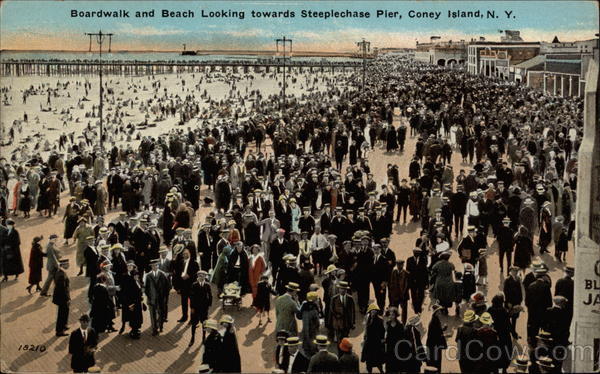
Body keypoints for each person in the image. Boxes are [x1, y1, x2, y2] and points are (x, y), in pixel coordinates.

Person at [144, 258, 171, 336]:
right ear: (151, 267)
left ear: (158, 266)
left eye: (156, 265)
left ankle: (161, 326)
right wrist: (149, 296)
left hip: (161, 298)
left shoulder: (162, 274)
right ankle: (154, 329)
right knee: (152, 315)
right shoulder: (148, 276)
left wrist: (165, 296)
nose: (154, 267)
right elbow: (146, 288)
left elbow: (168, 286)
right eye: (153, 266)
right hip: (152, 299)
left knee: (160, 313)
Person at [328, 281, 355, 347]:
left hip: (347, 323)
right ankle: (340, 353)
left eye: (344, 289)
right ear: (339, 289)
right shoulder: (334, 299)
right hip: (338, 323)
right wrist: (330, 323)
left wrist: (353, 322)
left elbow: (352, 311)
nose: (342, 290)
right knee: (339, 340)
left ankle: (344, 352)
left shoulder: (350, 298)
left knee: (345, 339)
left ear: (346, 290)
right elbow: (331, 311)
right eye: (341, 289)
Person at [189, 270, 212, 346]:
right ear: (198, 277)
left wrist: (208, 305)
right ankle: (192, 338)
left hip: (204, 308)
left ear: (205, 277)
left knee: (204, 323)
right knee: (193, 324)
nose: (201, 277)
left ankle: (203, 337)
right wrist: (192, 307)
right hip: (195, 308)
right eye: (199, 276)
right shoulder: (194, 285)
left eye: (202, 276)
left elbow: (210, 296)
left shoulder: (207, 285)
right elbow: (191, 297)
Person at [361, 303, 385, 373]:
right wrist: (365, 336)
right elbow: (365, 328)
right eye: (372, 310)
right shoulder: (368, 318)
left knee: (378, 360)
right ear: (370, 311)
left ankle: (381, 371)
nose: (373, 312)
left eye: (375, 310)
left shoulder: (380, 320)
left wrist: (381, 340)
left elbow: (382, 331)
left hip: (376, 343)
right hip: (368, 342)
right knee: (368, 361)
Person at [388, 259, 410, 324]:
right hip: (395, 295)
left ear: (403, 265)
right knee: (394, 310)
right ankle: (395, 322)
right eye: (398, 265)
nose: (399, 266)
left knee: (404, 311)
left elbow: (407, 286)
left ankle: (403, 323)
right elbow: (391, 284)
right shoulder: (393, 272)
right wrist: (391, 294)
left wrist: (404, 293)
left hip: (403, 296)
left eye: (401, 265)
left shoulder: (406, 273)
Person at [426, 304, 447, 372]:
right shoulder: (433, 322)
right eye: (439, 311)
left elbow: (437, 331)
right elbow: (434, 335)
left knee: (436, 362)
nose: (440, 312)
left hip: (434, 345)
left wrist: (442, 329)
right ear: (435, 313)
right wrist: (442, 334)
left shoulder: (436, 320)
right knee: (435, 362)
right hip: (434, 346)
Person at [53, 258, 71, 337]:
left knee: (64, 312)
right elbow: (62, 289)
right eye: (67, 264)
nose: (68, 265)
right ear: (63, 265)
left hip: (61, 297)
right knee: (62, 314)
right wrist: (67, 299)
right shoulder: (61, 275)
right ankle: (59, 331)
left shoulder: (60, 272)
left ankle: (64, 326)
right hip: (62, 298)